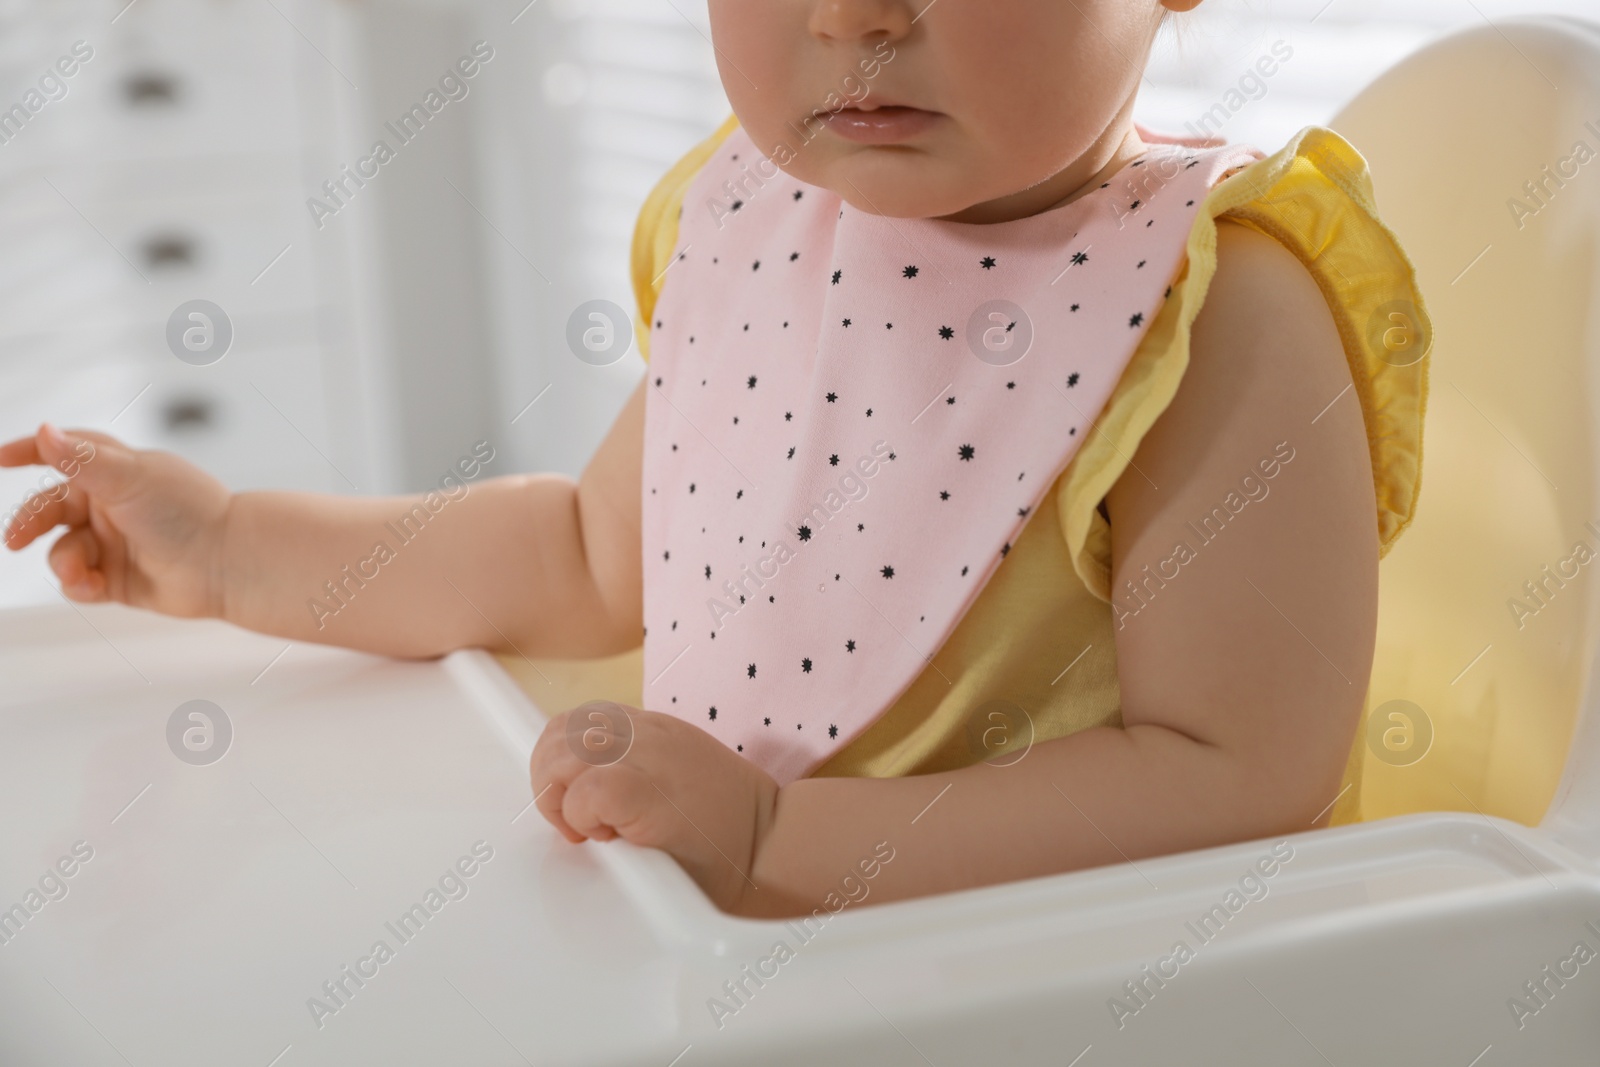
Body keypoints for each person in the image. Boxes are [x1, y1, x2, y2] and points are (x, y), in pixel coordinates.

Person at [2, 0, 1429, 919]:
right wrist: (235, 548)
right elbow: (583, 555)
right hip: (726, 964)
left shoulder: (1217, 311)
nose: (854, 16)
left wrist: (772, 841)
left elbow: (1236, 781)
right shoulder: (759, 223)